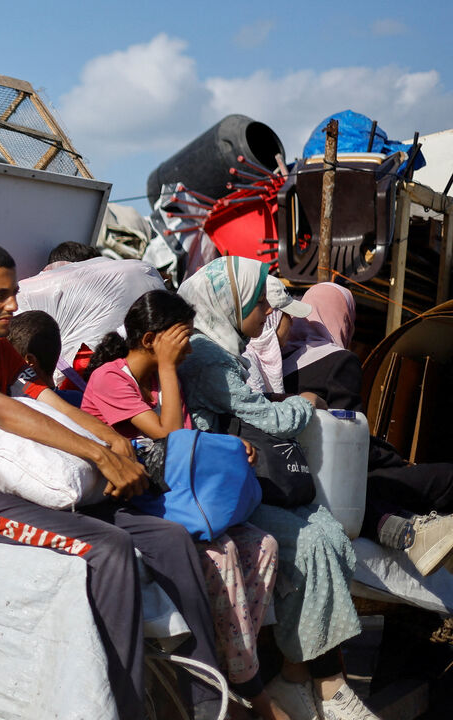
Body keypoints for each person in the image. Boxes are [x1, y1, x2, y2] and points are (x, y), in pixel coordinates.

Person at [0, 240, 221, 720]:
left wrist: (114, 443)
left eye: (14, 293)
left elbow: (50, 401)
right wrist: (96, 454)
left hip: (12, 484)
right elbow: (1, 410)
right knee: (107, 550)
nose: (13, 305)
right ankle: (120, 710)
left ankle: (208, 702)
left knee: (172, 538)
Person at [177, 257, 378, 720]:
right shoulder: (208, 355)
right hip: (220, 490)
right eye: (260, 304)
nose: (269, 314)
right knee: (310, 543)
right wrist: (306, 403)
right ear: (232, 302)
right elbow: (268, 418)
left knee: (327, 533)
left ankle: (296, 678)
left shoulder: (224, 348)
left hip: (239, 481)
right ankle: (326, 685)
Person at [81, 290, 285, 719]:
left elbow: (186, 446)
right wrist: (171, 368)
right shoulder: (109, 378)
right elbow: (169, 437)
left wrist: (231, 446)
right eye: (182, 340)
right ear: (152, 339)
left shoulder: (160, 380)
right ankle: (248, 689)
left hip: (172, 499)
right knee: (223, 553)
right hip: (130, 504)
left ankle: (237, 671)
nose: (188, 348)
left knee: (263, 545)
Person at [281, 282, 453, 575]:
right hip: (334, 482)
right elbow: (351, 440)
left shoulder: (276, 363)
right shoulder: (339, 361)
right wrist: (394, 459)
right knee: (446, 477)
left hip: (292, 479)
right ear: (344, 318)